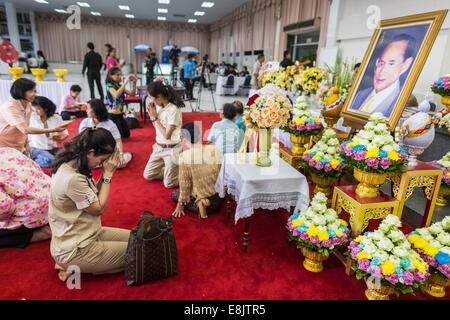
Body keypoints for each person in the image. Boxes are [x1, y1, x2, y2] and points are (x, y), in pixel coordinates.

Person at [49, 128, 129, 281]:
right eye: (101, 160)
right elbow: (98, 209)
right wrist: (107, 175)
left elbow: (93, 196)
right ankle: (72, 266)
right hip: (77, 248)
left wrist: (106, 173)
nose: (102, 164)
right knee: (142, 250)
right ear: (91, 152)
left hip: (87, 234)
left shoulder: (70, 164)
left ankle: (75, 265)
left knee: (138, 238)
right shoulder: (73, 178)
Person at [351, 34, 416, 117]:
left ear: (405, 65)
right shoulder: (361, 94)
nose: (381, 72)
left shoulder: (403, 102)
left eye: (391, 64)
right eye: (381, 63)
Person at [0, 147, 52, 248]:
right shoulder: (8, 150)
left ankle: (36, 235)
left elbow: (5, 208)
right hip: (52, 200)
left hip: (34, 213)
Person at [0, 78, 67, 155]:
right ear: (21, 92)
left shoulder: (28, 106)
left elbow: (25, 128)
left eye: (35, 91)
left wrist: (26, 145)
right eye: (31, 91)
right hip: (4, 145)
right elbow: (25, 130)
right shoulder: (10, 107)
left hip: (18, 145)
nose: (34, 94)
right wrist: (52, 130)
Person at [171, 122, 223, 219]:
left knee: (174, 194)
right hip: (218, 199)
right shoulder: (214, 149)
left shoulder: (185, 157)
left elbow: (185, 186)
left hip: (204, 207)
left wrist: (180, 204)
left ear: (184, 138)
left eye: (180, 138)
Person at [143, 81, 184, 188]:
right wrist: (152, 116)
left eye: (150, 97)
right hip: (158, 148)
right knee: (148, 175)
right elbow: (156, 127)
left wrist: (155, 117)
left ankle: (185, 173)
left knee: (169, 184)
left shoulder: (173, 110)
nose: (149, 99)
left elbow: (167, 135)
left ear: (159, 97)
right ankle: (170, 171)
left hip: (172, 149)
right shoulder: (159, 106)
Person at [79, 99, 132, 168]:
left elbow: (118, 140)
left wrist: (121, 154)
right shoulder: (85, 122)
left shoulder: (110, 124)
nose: (86, 110)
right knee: (81, 162)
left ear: (96, 110)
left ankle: (125, 156)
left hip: (105, 152)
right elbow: (81, 140)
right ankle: (102, 163)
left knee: (120, 164)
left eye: (88, 108)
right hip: (91, 152)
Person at [29, 96, 68, 168]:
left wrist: (60, 138)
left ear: (46, 109)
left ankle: (39, 159)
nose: (36, 111)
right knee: (53, 161)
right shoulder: (32, 117)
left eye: (38, 109)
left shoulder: (57, 118)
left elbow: (65, 133)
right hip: (37, 148)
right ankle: (34, 160)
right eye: (35, 109)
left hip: (52, 147)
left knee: (68, 157)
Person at [105, 67, 137, 139]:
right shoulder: (109, 85)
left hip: (120, 114)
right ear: (111, 76)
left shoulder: (119, 85)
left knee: (126, 135)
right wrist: (125, 83)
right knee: (120, 136)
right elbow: (116, 95)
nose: (120, 76)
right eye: (117, 75)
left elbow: (132, 94)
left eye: (120, 75)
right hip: (112, 114)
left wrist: (134, 83)